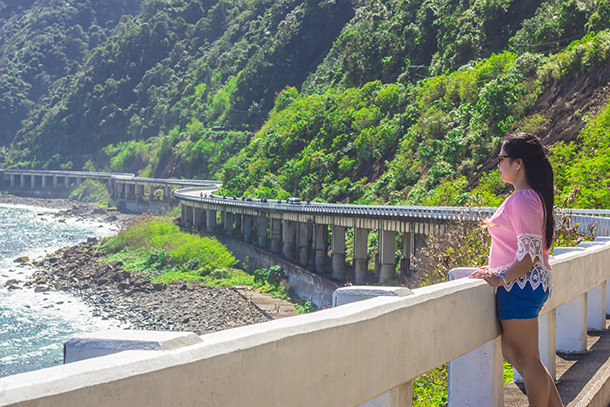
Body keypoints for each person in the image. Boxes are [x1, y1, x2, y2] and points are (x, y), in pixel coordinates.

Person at [469, 133, 563, 407]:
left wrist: (500, 278)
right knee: (515, 353)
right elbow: (520, 249)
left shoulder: (522, 199)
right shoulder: (529, 197)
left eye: (502, 158)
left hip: (519, 286)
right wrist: (496, 268)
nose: (498, 164)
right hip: (526, 286)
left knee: (528, 360)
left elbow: (530, 255)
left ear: (518, 163)